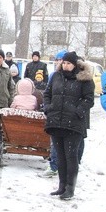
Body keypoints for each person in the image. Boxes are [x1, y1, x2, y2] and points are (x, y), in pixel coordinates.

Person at [43, 51, 95, 200]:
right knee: (60, 156)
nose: (65, 66)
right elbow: (47, 93)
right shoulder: (56, 77)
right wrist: (48, 107)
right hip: (56, 121)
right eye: (64, 63)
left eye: (68, 63)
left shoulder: (84, 79)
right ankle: (61, 186)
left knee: (71, 156)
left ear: (75, 64)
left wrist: (77, 111)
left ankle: (70, 188)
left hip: (73, 124)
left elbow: (89, 99)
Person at [38, 50, 66, 178]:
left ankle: (65, 166)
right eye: (57, 60)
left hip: (67, 114)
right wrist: (48, 106)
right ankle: (54, 165)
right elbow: (48, 93)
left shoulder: (72, 76)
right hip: (54, 112)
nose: (58, 63)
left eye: (60, 60)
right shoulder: (54, 75)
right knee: (54, 141)